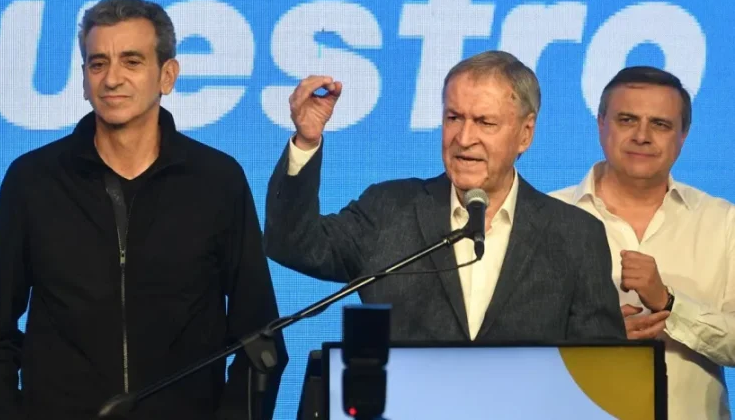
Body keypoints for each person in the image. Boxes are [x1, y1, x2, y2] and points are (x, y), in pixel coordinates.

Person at [0, 0, 286, 420]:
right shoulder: (32, 180)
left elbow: (261, 339)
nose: (112, 79)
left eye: (131, 61)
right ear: (84, 79)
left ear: (167, 75)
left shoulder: (217, 181)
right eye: (98, 63)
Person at [264, 50, 625, 343]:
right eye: (454, 118)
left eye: (484, 122)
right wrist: (306, 141)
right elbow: (293, 245)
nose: (464, 139)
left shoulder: (575, 236)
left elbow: (597, 368)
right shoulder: (389, 211)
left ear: (525, 133)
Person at [550, 66, 735, 419]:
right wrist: (597, 337)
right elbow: (512, 341)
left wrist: (670, 305)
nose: (642, 136)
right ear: (601, 124)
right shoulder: (546, 217)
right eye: (627, 120)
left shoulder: (723, 222)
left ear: (683, 135)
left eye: (660, 124)